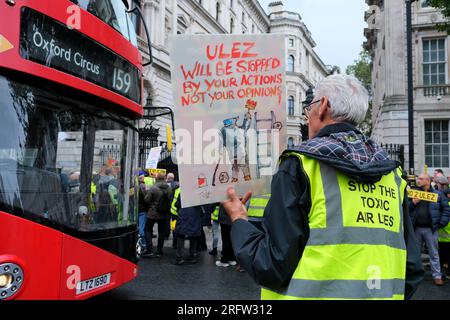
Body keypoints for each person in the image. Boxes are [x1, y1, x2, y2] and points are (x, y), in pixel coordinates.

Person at [222, 74, 424, 300]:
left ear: (323, 106)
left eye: (308, 108)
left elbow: (272, 266)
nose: (307, 116)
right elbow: (412, 268)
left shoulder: (300, 165)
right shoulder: (392, 175)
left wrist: (239, 220)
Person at [409, 173, 450, 285]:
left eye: (421, 179)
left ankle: (437, 276)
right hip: (416, 229)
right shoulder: (413, 194)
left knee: (434, 254)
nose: (418, 180)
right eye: (418, 178)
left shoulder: (438, 194)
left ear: (427, 181)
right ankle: (415, 275)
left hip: (430, 229)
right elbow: (406, 208)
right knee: (415, 253)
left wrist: (439, 224)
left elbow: (446, 209)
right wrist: (413, 203)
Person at [172, 190, 204, 265]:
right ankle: (192, 256)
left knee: (181, 235)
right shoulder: (199, 192)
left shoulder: (183, 191)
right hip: (195, 216)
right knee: (193, 236)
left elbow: (177, 204)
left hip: (184, 215)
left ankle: (179, 258)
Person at [144, 173, 172, 257]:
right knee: (161, 232)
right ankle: (159, 250)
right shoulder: (169, 188)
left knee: (147, 230)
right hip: (164, 213)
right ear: (164, 178)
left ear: (157, 178)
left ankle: (149, 250)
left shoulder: (153, 188)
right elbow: (171, 199)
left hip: (153, 213)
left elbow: (147, 200)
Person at [439, 188, 450, 280]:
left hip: (443, 237)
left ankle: (442, 272)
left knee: (441, 257)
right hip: (445, 237)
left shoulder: (444, 205)